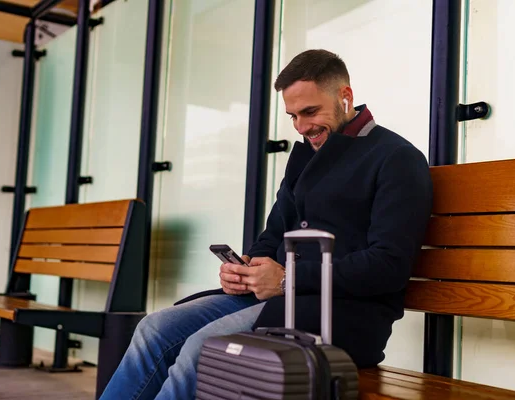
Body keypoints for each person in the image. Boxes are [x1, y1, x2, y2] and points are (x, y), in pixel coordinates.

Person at [100, 49, 433, 400]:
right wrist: (246, 268)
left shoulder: (397, 159)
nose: (302, 128)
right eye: (292, 116)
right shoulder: (305, 156)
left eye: (310, 112)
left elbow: (389, 266)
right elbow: (274, 234)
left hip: (344, 314)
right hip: (274, 299)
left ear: (345, 96)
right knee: (155, 328)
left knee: (206, 347)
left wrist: (288, 278)